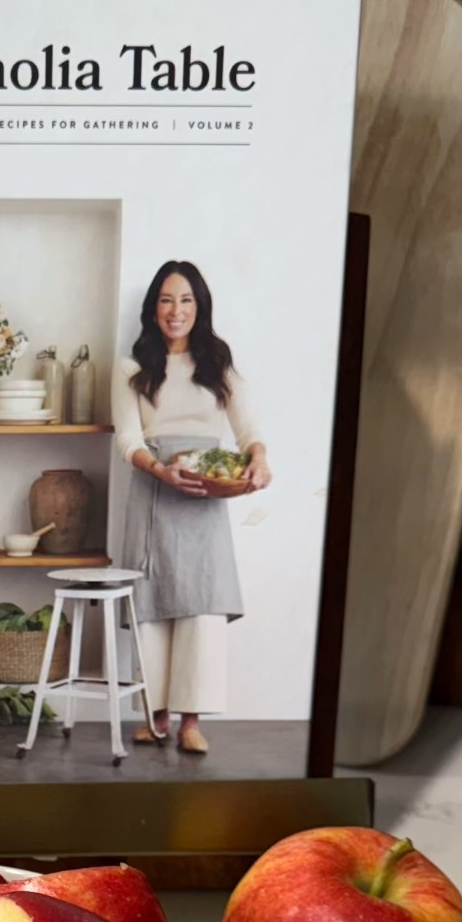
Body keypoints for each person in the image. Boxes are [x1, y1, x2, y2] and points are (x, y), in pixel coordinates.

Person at [113, 260, 271, 756]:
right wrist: (160, 470)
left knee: (201, 606)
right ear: (152, 309)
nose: (175, 310)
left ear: (198, 307)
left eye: (185, 300)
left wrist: (259, 461)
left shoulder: (217, 362)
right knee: (155, 604)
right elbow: (128, 438)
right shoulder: (131, 368)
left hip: (207, 492)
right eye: (165, 300)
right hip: (154, 488)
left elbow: (248, 430)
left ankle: (190, 722)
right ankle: (154, 718)